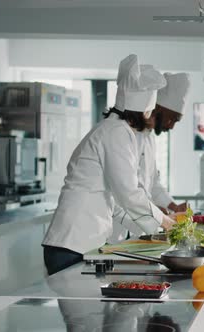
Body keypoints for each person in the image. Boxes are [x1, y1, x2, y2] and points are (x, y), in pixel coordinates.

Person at [41, 54, 178, 275]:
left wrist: (152, 231)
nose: (151, 115)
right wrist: (165, 222)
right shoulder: (116, 132)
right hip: (72, 244)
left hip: (75, 243)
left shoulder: (113, 129)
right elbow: (129, 194)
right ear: (142, 110)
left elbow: (113, 202)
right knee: (81, 309)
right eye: (150, 110)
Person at [109, 72, 192, 243]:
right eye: (173, 119)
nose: (171, 125)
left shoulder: (149, 138)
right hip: (112, 227)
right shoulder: (120, 134)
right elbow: (127, 191)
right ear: (159, 108)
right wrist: (159, 216)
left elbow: (152, 183)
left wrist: (172, 206)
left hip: (131, 229)